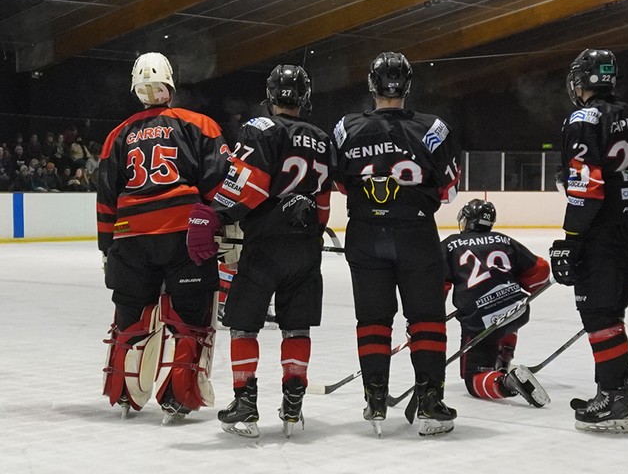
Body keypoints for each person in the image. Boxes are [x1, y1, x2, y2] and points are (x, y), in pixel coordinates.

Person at [186, 65, 335, 438]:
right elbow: (324, 203)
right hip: (305, 249)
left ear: (271, 95)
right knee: (296, 326)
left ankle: (246, 406)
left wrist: (214, 216)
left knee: (244, 324)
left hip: (264, 246)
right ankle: (293, 406)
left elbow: (246, 187)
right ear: (305, 96)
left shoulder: (260, 128)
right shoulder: (321, 137)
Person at [333, 51, 461, 437]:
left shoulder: (345, 127)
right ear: (407, 85)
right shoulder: (433, 127)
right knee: (426, 318)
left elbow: (339, 183)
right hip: (416, 233)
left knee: (373, 319)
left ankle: (375, 398)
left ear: (371, 85)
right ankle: (430, 401)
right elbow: (450, 191)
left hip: (365, 233)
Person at [96, 52, 228, 422]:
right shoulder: (198, 123)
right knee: (191, 320)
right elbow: (220, 183)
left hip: (130, 238)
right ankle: (179, 396)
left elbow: (106, 196)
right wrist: (229, 228)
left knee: (130, 318)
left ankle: (124, 391)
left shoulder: (116, 135)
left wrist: (107, 245)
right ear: (170, 82)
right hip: (184, 234)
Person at [549, 48, 628, 434]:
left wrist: (572, 237)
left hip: (605, 223)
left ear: (583, 80)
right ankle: (615, 390)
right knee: (612, 308)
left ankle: (612, 397)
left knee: (598, 312)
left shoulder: (582, 117)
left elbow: (587, 183)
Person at [441, 199, 551, 407]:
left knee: (473, 380)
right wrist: (516, 283)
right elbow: (541, 271)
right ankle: (504, 354)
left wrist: (429, 318)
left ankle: (506, 382)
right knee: (508, 307)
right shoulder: (504, 240)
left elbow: (435, 286)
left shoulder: (450, 244)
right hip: (518, 311)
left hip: (482, 323)